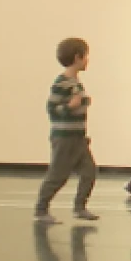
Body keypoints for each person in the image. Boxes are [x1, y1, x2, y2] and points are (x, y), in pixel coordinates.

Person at [35, 37, 100, 225]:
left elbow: (78, 103)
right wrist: (70, 106)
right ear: (77, 57)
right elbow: (52, 108)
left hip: (78, 137)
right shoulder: (61, 83)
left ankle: (80, 207)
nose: (88, 60)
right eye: (86, 56)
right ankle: (41, 209)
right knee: (58, 175)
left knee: (89, 172)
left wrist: (84, 102)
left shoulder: (75, 82)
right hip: (64, 138)